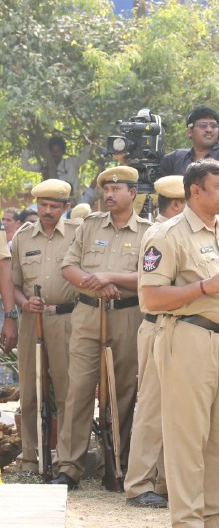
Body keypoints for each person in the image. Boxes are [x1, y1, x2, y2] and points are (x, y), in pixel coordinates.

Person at [140, 158, 219, 528]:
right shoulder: (166, 235)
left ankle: (213, 517)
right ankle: (187, 523)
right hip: (188, 338)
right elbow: (151, 297)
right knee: (189, 433)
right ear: (195, 191)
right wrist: (204, 287)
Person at [52, 166, 151, 489]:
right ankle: (69, 467)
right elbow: (68, 266)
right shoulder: (89, 225)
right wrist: (95, 285)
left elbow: (151, 277)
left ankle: (118, 464)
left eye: (117, 189)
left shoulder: (148, 232)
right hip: (87, 315)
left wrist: (112, 279)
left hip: (126, 316)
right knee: (78, 390)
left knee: (123, 391)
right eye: (106, 190)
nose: (109, 194)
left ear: (133, 194)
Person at [123, 175, 187, 508]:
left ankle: (162, 481)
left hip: (179, 330)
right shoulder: (160, 234)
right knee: (151, 407)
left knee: (174, 410)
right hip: (158, 326)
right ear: (178, 204)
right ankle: (138, 483)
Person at [9, 179, 77, 473]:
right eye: (43, 205)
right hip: (31, 320)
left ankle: (65, 460)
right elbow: (13, 284)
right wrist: (24, 303)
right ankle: (29, 458)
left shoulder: (78, 233)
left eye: (54, 206)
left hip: (67, 319)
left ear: (66, 207)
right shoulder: (23, 236)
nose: (47, 211)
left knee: (67, 391)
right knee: (30, 389)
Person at [159, 106, 219, 176]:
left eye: (213, 126)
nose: (209, 130)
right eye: (203, 125)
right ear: (189, 132)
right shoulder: (176, 158)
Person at [21, 136, 93, 199]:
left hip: (73, 200)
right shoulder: (45, 165)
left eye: (58, 151)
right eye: (53, 151)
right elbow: (25, 166)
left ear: (63, 151)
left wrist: (89, 143)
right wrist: (28, 149)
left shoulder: (72, 162)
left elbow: (85, 155)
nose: (55, 154)